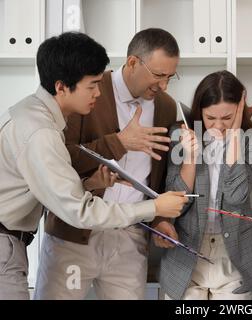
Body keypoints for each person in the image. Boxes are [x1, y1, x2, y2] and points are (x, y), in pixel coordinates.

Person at [0, 32, 186, 300]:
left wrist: (157, 216)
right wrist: (119, 144)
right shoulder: (44, 129)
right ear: (62, 86)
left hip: (127, 236)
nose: (97, 93)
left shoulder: (35, 113)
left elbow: (53, 181)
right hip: (65, 235)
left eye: (171, 76)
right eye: (92, 86)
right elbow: (77, 207)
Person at [154, 70, 252, 300]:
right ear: (199, 111)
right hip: (186, 252)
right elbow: (176, 203)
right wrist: (190, 159)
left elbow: (237, 196)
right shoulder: (181, 134)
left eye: (227, 118)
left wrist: (235, 136)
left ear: (239, 109)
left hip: (233, 255)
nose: (218, 126)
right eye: (210, 118)